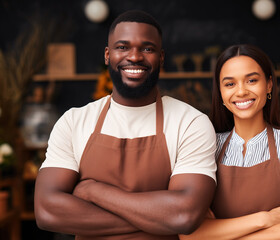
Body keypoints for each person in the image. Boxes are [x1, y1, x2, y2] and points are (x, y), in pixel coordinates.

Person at [34, 10, 217, 240]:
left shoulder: (190, 123)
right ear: (107, 55)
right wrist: (157, 219)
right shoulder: (74, 121)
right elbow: (46, 211)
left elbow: (184, 216)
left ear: (161, 58)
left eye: (147, 48)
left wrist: (94, 190)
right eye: (123, 47)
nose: (135, 56)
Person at [180, 44, 280, 240]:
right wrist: (263, 219)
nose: (241, 92)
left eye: (252, 80)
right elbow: (190, 235)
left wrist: (218, 234)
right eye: (230, 84)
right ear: (220, 92)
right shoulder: (207, 145)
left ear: (269, 84)